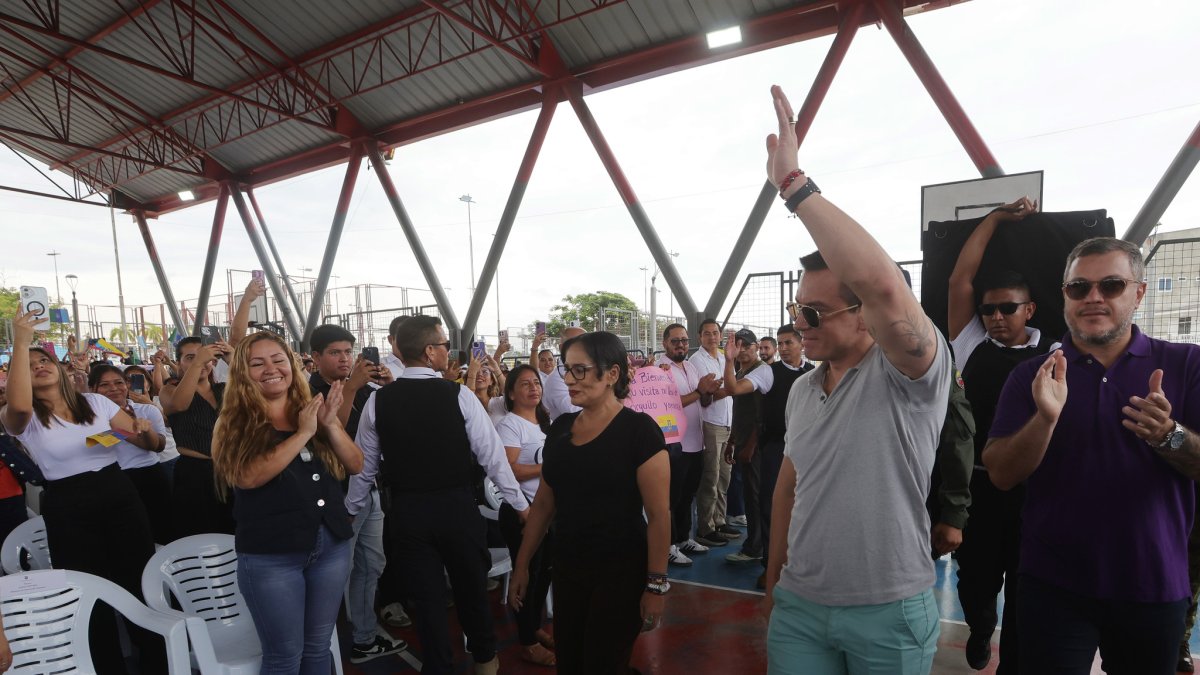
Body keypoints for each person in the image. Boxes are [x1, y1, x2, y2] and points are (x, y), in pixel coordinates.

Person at [761, 86, 950, 674]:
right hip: (799, 606)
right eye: (797, 312)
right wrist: (773, 583)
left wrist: (794, 185)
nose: (799, 324)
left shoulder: (909, 372)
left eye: (813, 314)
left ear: (862, 315)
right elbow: (790, 487)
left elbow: (886, 287)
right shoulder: (800, 389)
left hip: (889, 610)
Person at [983, 236, 1200, 674]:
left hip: (1154, 582)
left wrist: (1169, 435)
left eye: (1112, 285)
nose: (1094, 297)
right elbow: (1001, 473)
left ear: (1138, 293)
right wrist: (1044, 419)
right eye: (1078, 287)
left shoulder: (1185, 364)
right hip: (1053, 584)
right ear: (1064, 296)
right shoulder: (1032, 373)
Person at [351, 315, 530, 675]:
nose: (448, 351)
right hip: (456, 509)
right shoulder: (459, 394)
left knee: (427, 599)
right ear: (430, 351)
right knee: (471, 590)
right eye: (445, 345)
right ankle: (484, 659)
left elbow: (363, 467)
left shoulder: (378, 402)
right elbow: (492, 457)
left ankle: (437, 665)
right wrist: (520, 505)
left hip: (406, 512)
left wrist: (349, 510)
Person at [1, 310, 165, 673]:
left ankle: (156, 661)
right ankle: (105, 665)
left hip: (117, 492)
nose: (38, 366)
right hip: (68, 503)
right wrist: (21, 340)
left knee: (137, 578)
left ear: (59, 369)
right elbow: (20, 403)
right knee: (87, 589)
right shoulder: (22, 419)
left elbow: (148, 442)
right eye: (27, 366)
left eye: (44, 360)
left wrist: (144, 430)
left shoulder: (96, 403)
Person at [510, 331, 670, 674]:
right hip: (568, 568)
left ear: (612, 374)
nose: (568, 379)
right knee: (570, 662)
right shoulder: (561, 429)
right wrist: (522, 565)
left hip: (621, 572)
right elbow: (543, 505)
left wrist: (656, 585)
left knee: (603, 664)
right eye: (567, 369)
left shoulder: (640, 432)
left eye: (579, 370)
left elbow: (659, 516)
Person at [211, 331, 364, 674]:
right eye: (257, 363)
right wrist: (303, 434)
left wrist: (330, 426)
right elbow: (247, 477)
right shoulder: (233, 421)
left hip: (330, 546)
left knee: (319, 646)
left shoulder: (310, 409)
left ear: (292, 365)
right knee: (284, 655)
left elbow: (355, 464)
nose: (271, 369)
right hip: (272, 555)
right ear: (242, 372)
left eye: (278, 360)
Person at [945, 197, 1049, 672]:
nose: (995, 316)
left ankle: (1020, 652)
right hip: (980, 487)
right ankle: (981, 627)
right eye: (988, 309)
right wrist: (993, 218)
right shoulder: (969, 346)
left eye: (1007, 308)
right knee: (975, 579)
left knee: (1032, 579)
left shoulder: (1056, 351)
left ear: (1029, 308)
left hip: (1036, 487)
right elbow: (959, 281)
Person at [305, 324, 406, 663]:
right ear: (316, 357)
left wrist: (391, 390)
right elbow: (327, 433)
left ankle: (363, 635)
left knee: (371, 564)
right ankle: (323, 644)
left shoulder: (363, 387)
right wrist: (350, 388)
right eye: (335, 352)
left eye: (348, 352)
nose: (345, 358)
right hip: (338, 493)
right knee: (338, 569)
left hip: (369, 487)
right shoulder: (313, 389)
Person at [494, 364, 557, 666]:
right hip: (523, 512)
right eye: (524, 384)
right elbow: (509, 470)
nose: (533, 388)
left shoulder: (544, 422)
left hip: (546, 512)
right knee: (527, 579)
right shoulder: (510, 424)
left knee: (544, 574)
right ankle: (527, 642)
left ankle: (534, 629)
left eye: (536, 383)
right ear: (510, 393)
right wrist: (548, 469)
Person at [753, 324, 813, 589]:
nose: (785, 348)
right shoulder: (768, 373)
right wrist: (729, 362)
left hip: (811, 449)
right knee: (771, 505)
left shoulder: (815, 373)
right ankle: (770, 565)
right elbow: (737, 388)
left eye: (789, 342)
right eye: (781, 343)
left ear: (801, 343)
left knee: (808, 507)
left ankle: (802, 563)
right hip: (777, 448)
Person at [88, 364, 174, 545]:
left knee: (163, 532)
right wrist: (126, 428)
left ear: (127, 385)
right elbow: (91, 444)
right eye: (104, 385)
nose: (113, 388)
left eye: (119, 382)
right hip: (111, 480)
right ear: (91, 389)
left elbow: (157, 446)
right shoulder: (88, 418)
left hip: (149, 476)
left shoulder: (147, 410)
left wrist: (137, 430)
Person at [161, 337, 236, 537]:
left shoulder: (224, 390)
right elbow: (179, 405)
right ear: (179, 363)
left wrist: (233, 359)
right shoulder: (170, 389)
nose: (201, 362)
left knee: (233, 529)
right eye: (190, 357)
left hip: (229, 468)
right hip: (194, 472)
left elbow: (255, 390)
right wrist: (198, 363)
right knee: (199, 533)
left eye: (205, 357)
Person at [657, 323, 709, 567]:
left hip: (696, 441)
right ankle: (667, 546)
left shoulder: (689, 366)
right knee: (672, 497)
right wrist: (701, 391)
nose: (681, 345)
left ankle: (683, 538)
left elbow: (704, 398)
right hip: (674, 444)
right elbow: (669, 403)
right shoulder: (660, 369)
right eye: (675, 340)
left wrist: (709, 389)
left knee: (688, 494)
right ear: (665, 343)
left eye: (685, 340)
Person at [722, 328, 774, 567]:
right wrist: (733, 440)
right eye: (738, 345)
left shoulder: (762, 371)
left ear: (756, 347)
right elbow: (739, 408)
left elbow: (757, 412)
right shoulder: (741, 370)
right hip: (744, 440)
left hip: (756, 444)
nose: (742, 350)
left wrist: (750, 445)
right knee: (750, 494)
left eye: (746, 346)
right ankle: (757, 544)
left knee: (755, 496)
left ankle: (756, 546)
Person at [690, 318, 739, 548]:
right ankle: (705, 528)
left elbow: (724, 388)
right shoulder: (696, 361)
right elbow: (708, 393)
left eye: (715, 333)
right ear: (699, 337)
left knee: (724, 477)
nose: (712, 337)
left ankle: (719, 521)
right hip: (710, 424)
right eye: (707, 333)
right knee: (710, 477)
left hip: (727, 423)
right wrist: (730, 388)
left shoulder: (723, 358)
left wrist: (726, 387)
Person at [542, 326, 585, 421]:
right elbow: (575, 412)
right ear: (562, 348)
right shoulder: (556, 380)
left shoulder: (590, 369)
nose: (584, 348)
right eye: (576, 343)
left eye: (587, 343)